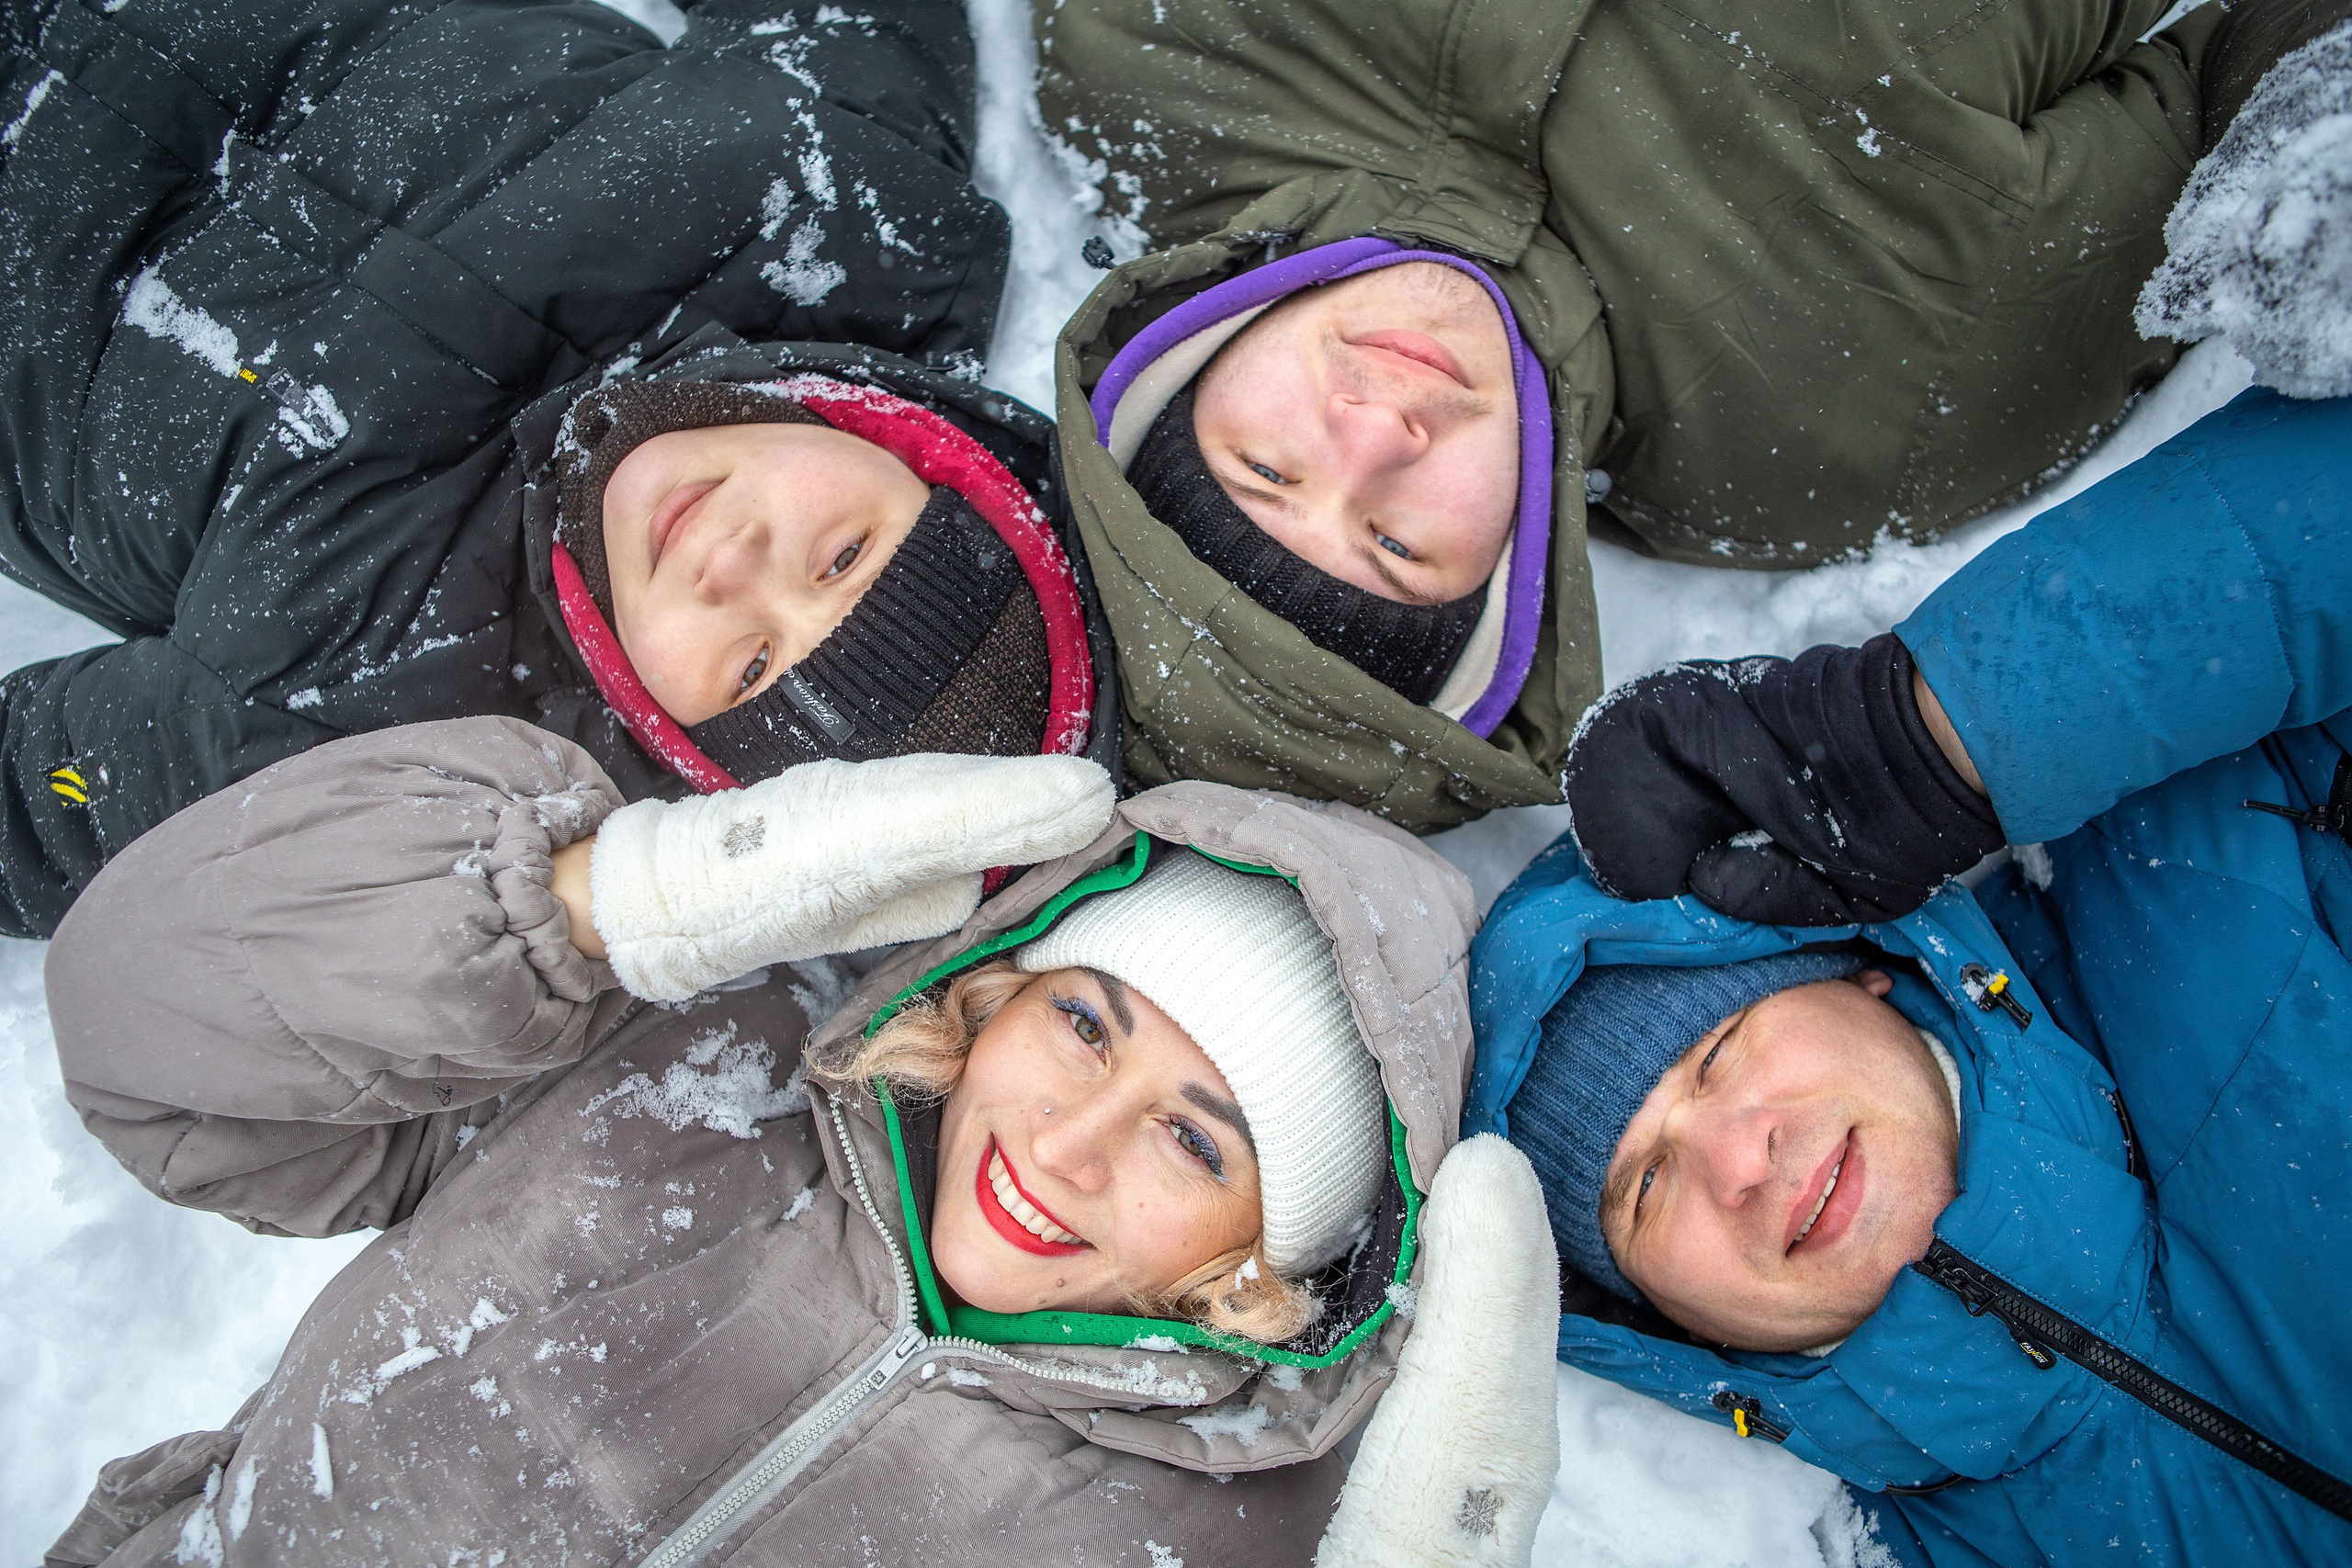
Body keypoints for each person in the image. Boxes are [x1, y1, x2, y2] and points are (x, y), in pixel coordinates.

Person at [38, 716, 1565, 1566]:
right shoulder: (710, 1078)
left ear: (1279, 1258)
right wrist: (589, 905)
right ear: (1002, 986)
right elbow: (148, 1041)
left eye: (1197, 1139)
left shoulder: (1246, 1535)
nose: (1068, 1141)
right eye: (1088, 1023)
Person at [1034, 0, 2346, 833]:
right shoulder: (1864, 417)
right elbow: (2243, 68)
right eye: (1397, 544)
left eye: (1267, 466)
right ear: (1510, 589)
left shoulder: (1160, 50)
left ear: (1175, 377)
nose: (1378, 436)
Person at [1460, 343, 2351, 1559]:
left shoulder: (2229, 858)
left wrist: (1927, 740)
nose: (1738, 1155)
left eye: (1721, 1050)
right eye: (1644, 1187)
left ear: (1866, 971)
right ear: (1657, 1319)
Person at [0, 0, 1114, 942]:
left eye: (751, 666)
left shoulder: (364, 714)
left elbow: (36, 807)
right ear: (925, 460)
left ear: (686, 752)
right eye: (843, 554)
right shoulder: (851, 195)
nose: (732, 567)